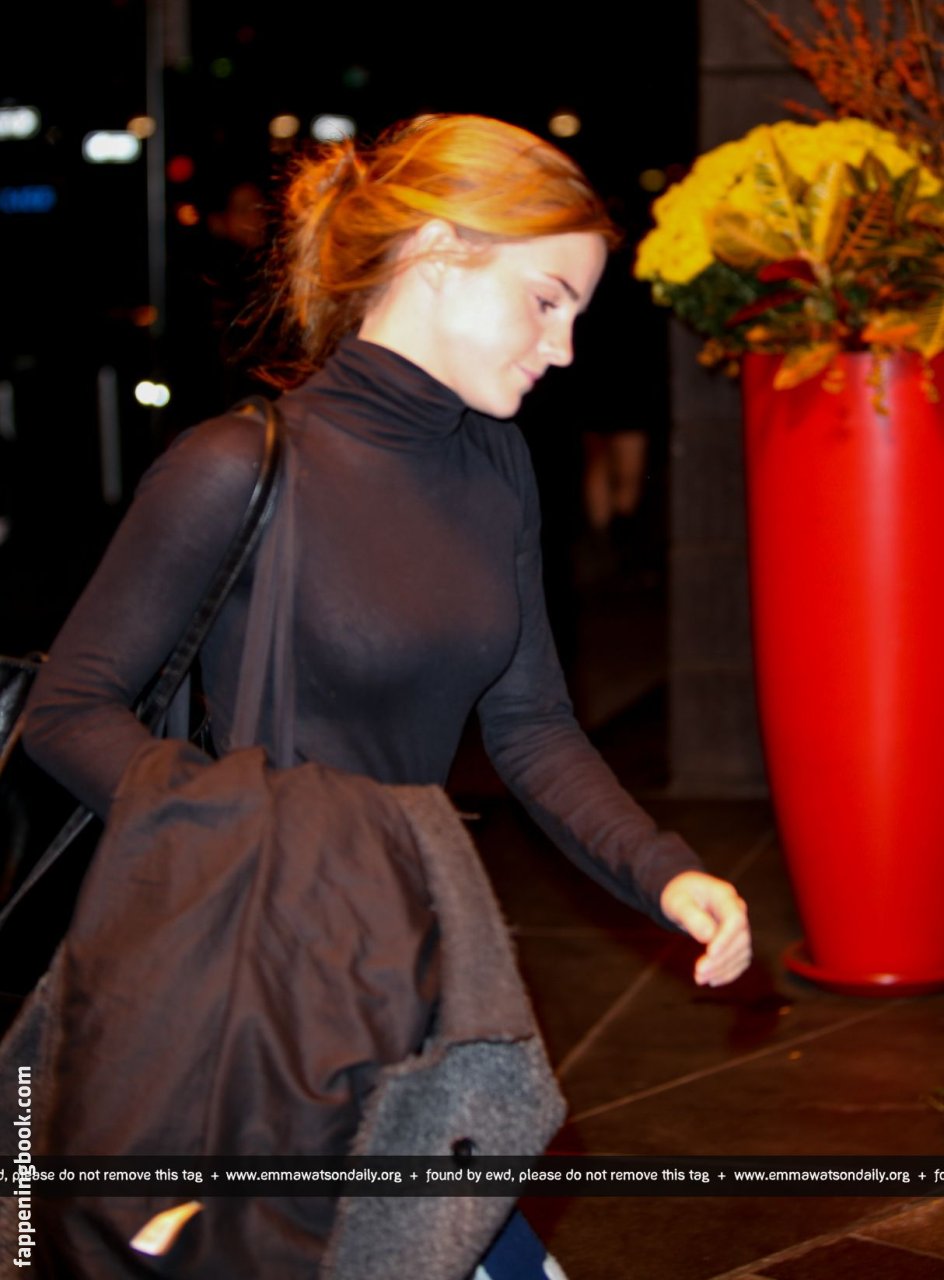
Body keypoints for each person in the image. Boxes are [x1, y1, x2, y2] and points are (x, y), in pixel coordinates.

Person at [21, 114, 750, 1273]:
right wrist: (251, 831)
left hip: (409, 962)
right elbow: (67, 709)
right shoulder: (234, 464)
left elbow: (529, 722)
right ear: (436, 253)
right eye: (545, 300)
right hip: (250, 979)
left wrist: (662, 869)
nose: (562, 349)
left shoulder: (495, 467)